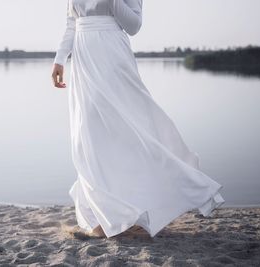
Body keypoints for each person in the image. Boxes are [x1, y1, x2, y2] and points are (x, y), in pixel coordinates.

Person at [51, 0, 225, 238]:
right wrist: (60, 59)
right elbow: (72, 22)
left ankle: (125, 213)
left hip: (112, 56)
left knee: (126, 131)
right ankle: (105, 213)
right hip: (83, 59)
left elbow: (133, 25)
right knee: (87, 135)